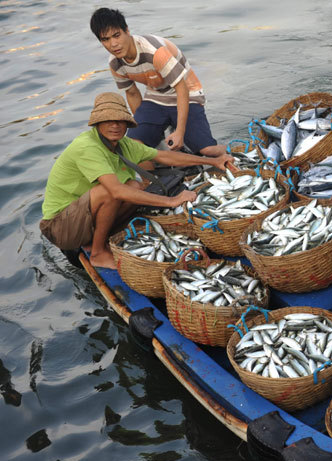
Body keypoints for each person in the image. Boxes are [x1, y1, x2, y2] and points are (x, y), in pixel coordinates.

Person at [39, 92, 234, 270]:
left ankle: (97, 239)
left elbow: (165, 157)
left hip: (84, 219)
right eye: (108, 120)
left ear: (127, 124)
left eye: (120, 121)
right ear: (97, 123)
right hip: (59, 227)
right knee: (111, 191)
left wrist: (213, 161)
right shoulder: (87, 147)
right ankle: (98, 253)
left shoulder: (123, 145)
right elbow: (115, 191)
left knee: (134, 185)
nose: (115, 125)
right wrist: (171, 201)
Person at [89, 7, 226, 157]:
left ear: (127, 31)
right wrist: (144, 128)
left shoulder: (154, 52)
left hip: (188, 94)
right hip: (156, 97)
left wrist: (180, 132)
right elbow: (132, 93)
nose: (113, 44)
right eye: (105, 39)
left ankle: (235, 150)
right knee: (135, 148)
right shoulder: (115, 63)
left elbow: (181, 88)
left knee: (207, 150)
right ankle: (154, 179)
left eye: (116, 35)